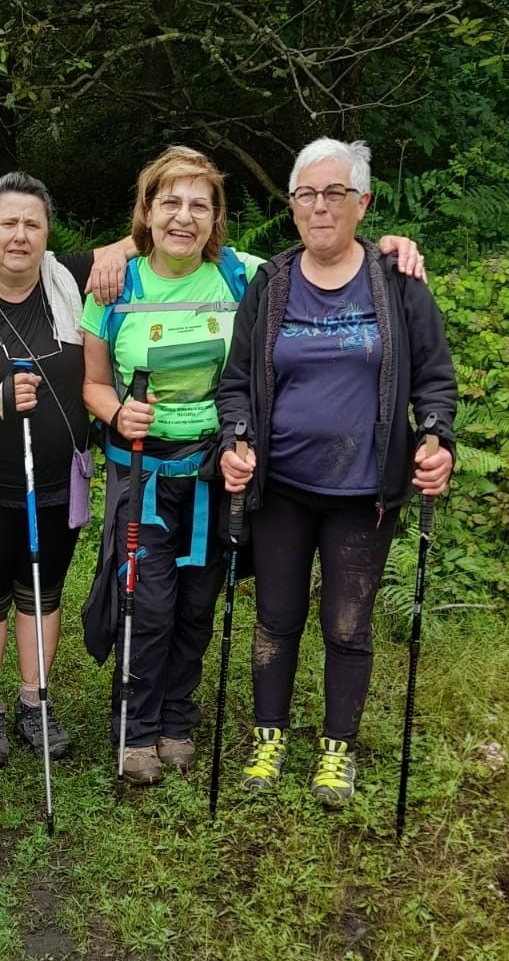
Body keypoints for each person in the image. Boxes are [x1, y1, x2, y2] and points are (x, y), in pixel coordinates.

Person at [81, 145, 425, 787]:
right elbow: (93, 384)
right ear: (147, 211)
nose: (184, 217)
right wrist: (114, 412)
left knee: (197, 601)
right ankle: (136, 727)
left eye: (199, 206)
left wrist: (392, 246)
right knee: (146, 601)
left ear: (217, 219)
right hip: (144, 471)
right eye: (170, 203)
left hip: (218, 470)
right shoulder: (112, 283)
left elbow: (327, 246)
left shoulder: (247, 276)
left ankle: (178, 719)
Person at [217, 138, 456, 805]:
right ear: (291, 206)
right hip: (282, 486)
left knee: (347, 625)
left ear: (362, 204)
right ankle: (268, 736)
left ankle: (335, 747)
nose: (319, 207)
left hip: (363, 491)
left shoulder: (396, 282)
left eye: (334, 194)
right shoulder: (271, 283)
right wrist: (235, 438)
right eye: (305, 195)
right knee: (276, 614)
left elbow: (434, 378)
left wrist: (436, 438)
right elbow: (235, 383)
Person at [0, 171, 132, 768]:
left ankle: (35, 698)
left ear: (47, 233)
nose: (20, 235)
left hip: (61, 476)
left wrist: (387, 248)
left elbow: (154, 236)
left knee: (42, 588)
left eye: (33, 223)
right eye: (8, 223)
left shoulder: (67, 278)